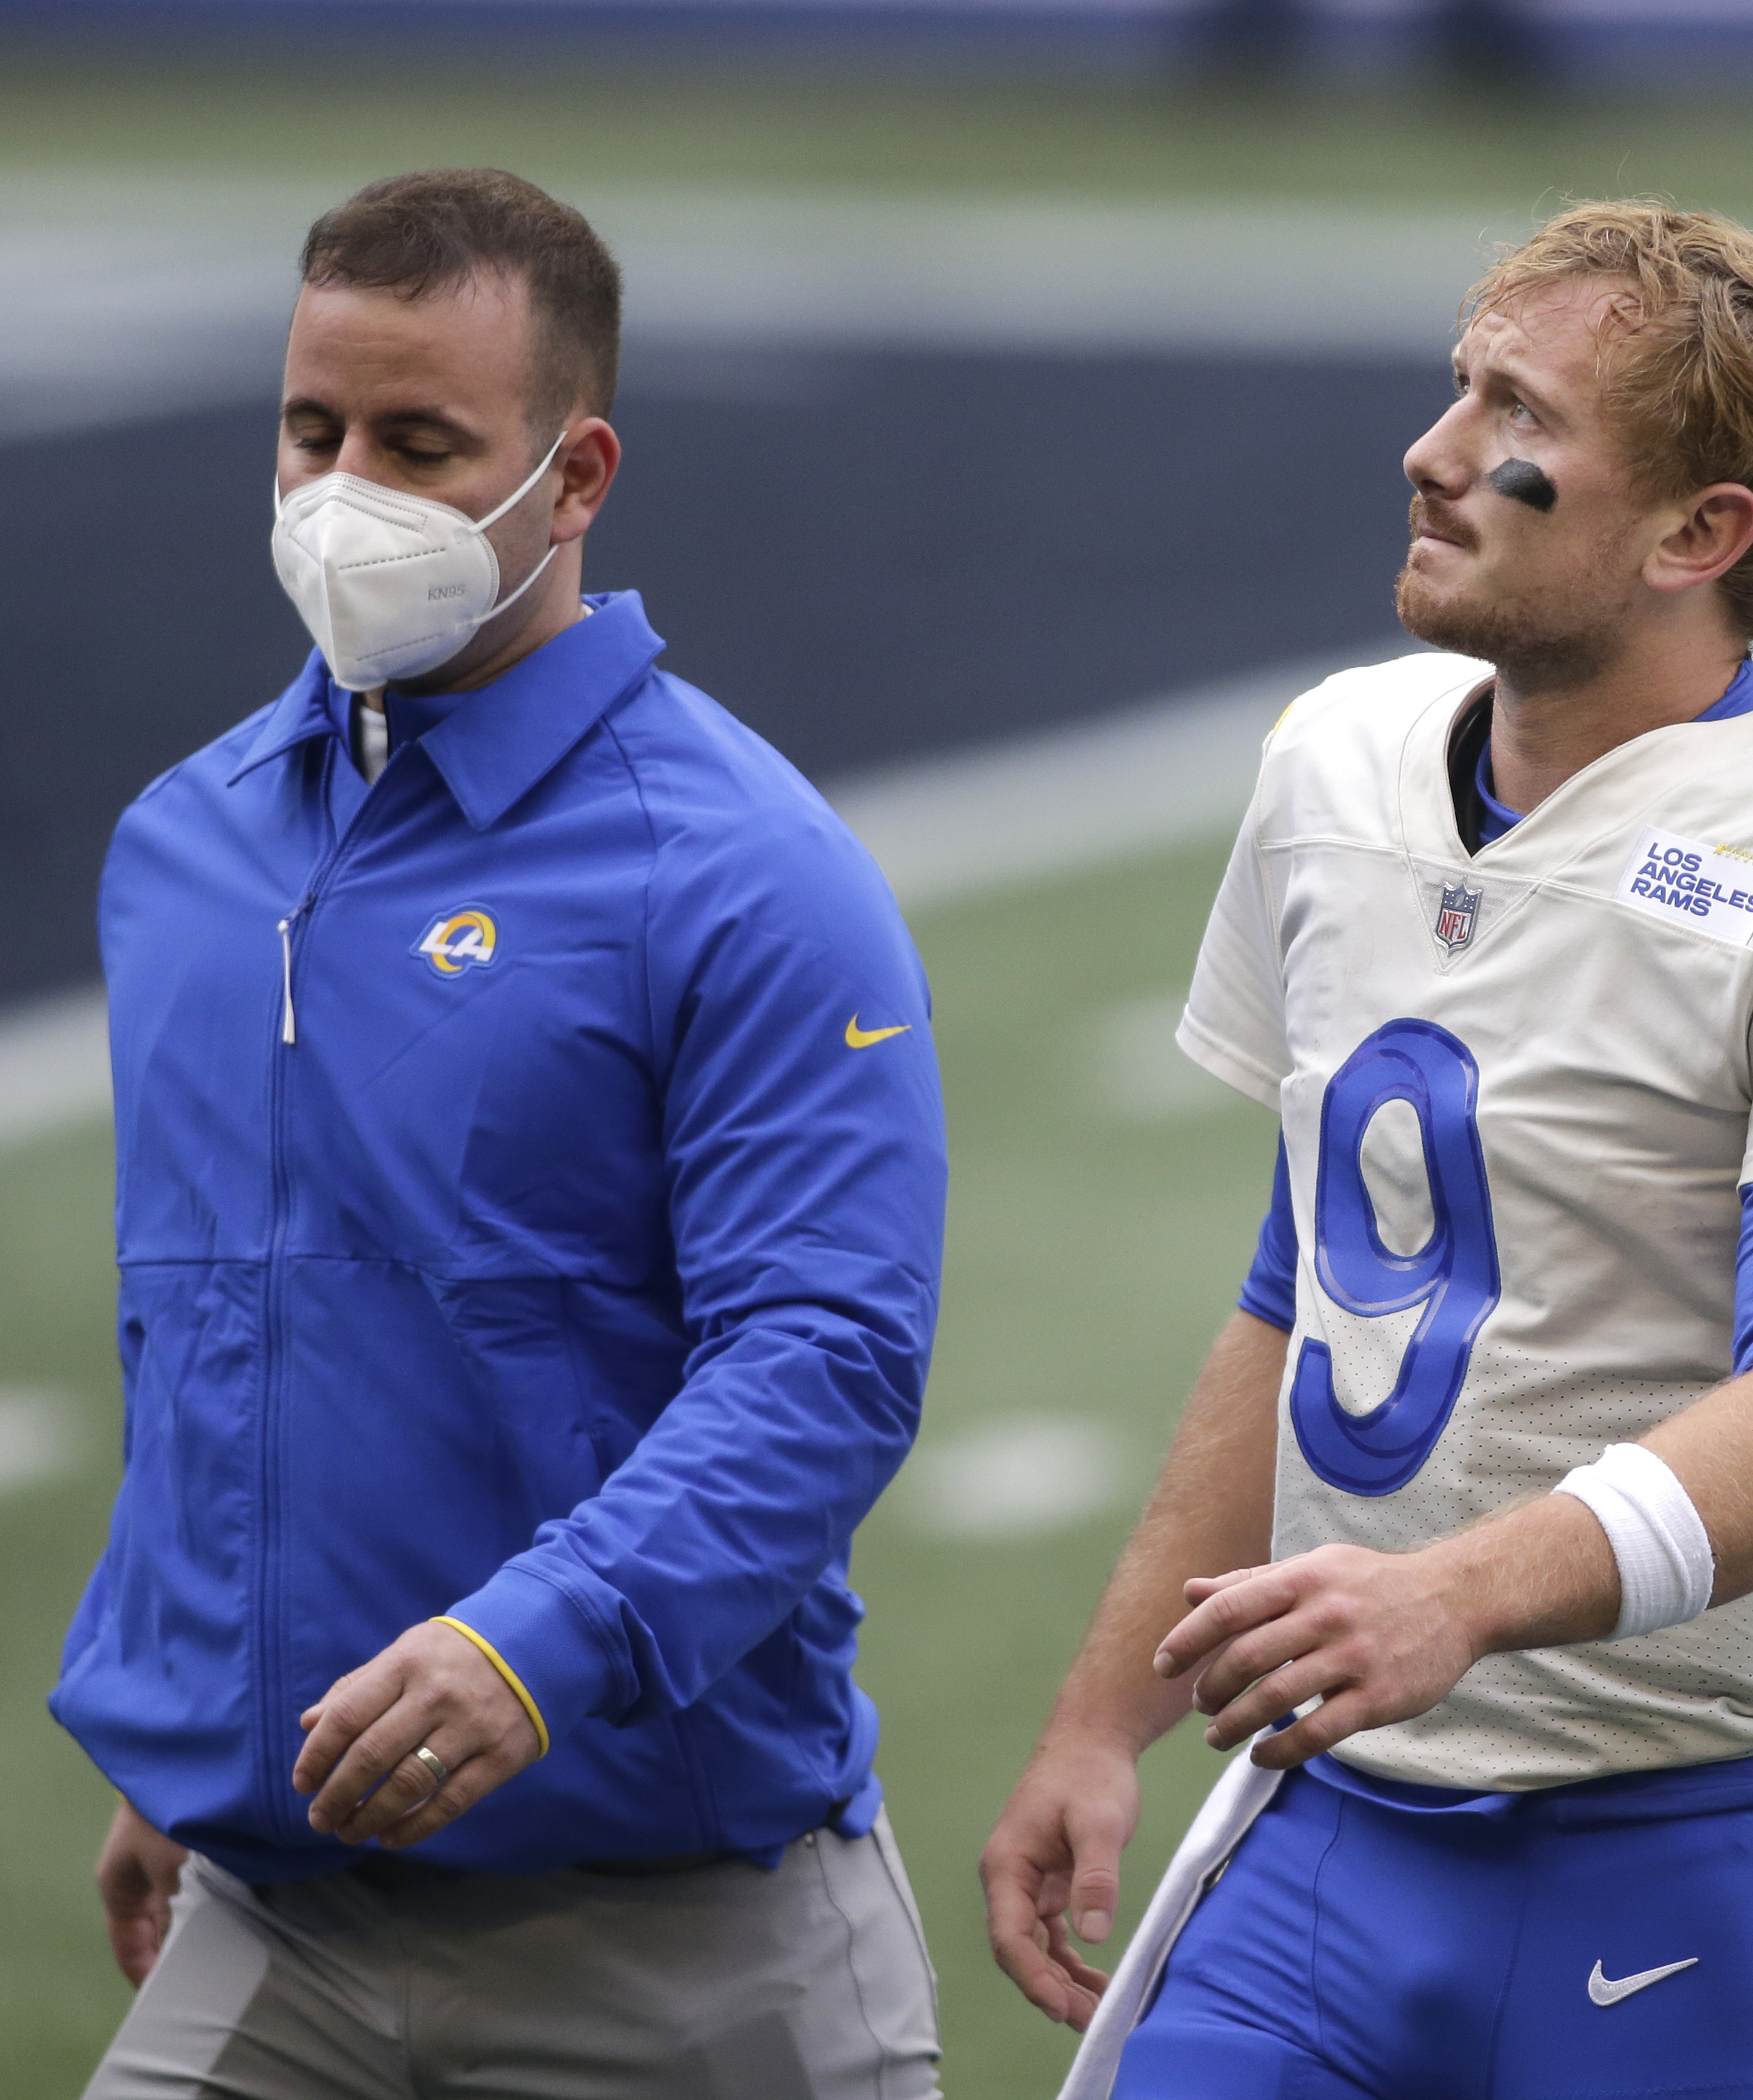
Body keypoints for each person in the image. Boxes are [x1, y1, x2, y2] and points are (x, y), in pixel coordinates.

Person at [981, 201, 1753, 2098]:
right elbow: (1305, 1296)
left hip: (1699, 1860)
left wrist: (1455, 1593)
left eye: (1516, 413)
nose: (1432, 453)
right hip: (1322, 1840)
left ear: (1697, 535)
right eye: (1456, 383)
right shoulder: (1339, 767)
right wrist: (1109, 1715)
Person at [55, 168, 947, 2098]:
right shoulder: (184, 852)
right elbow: (210, 1332)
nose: (343, 490)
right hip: (273, 1919)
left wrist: (544, 1643)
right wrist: (191, 1727)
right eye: (314, 429)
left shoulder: (747, 872)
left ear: (578, 469)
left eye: (421, 441)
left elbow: (826, 1363)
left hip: (677, 1948)